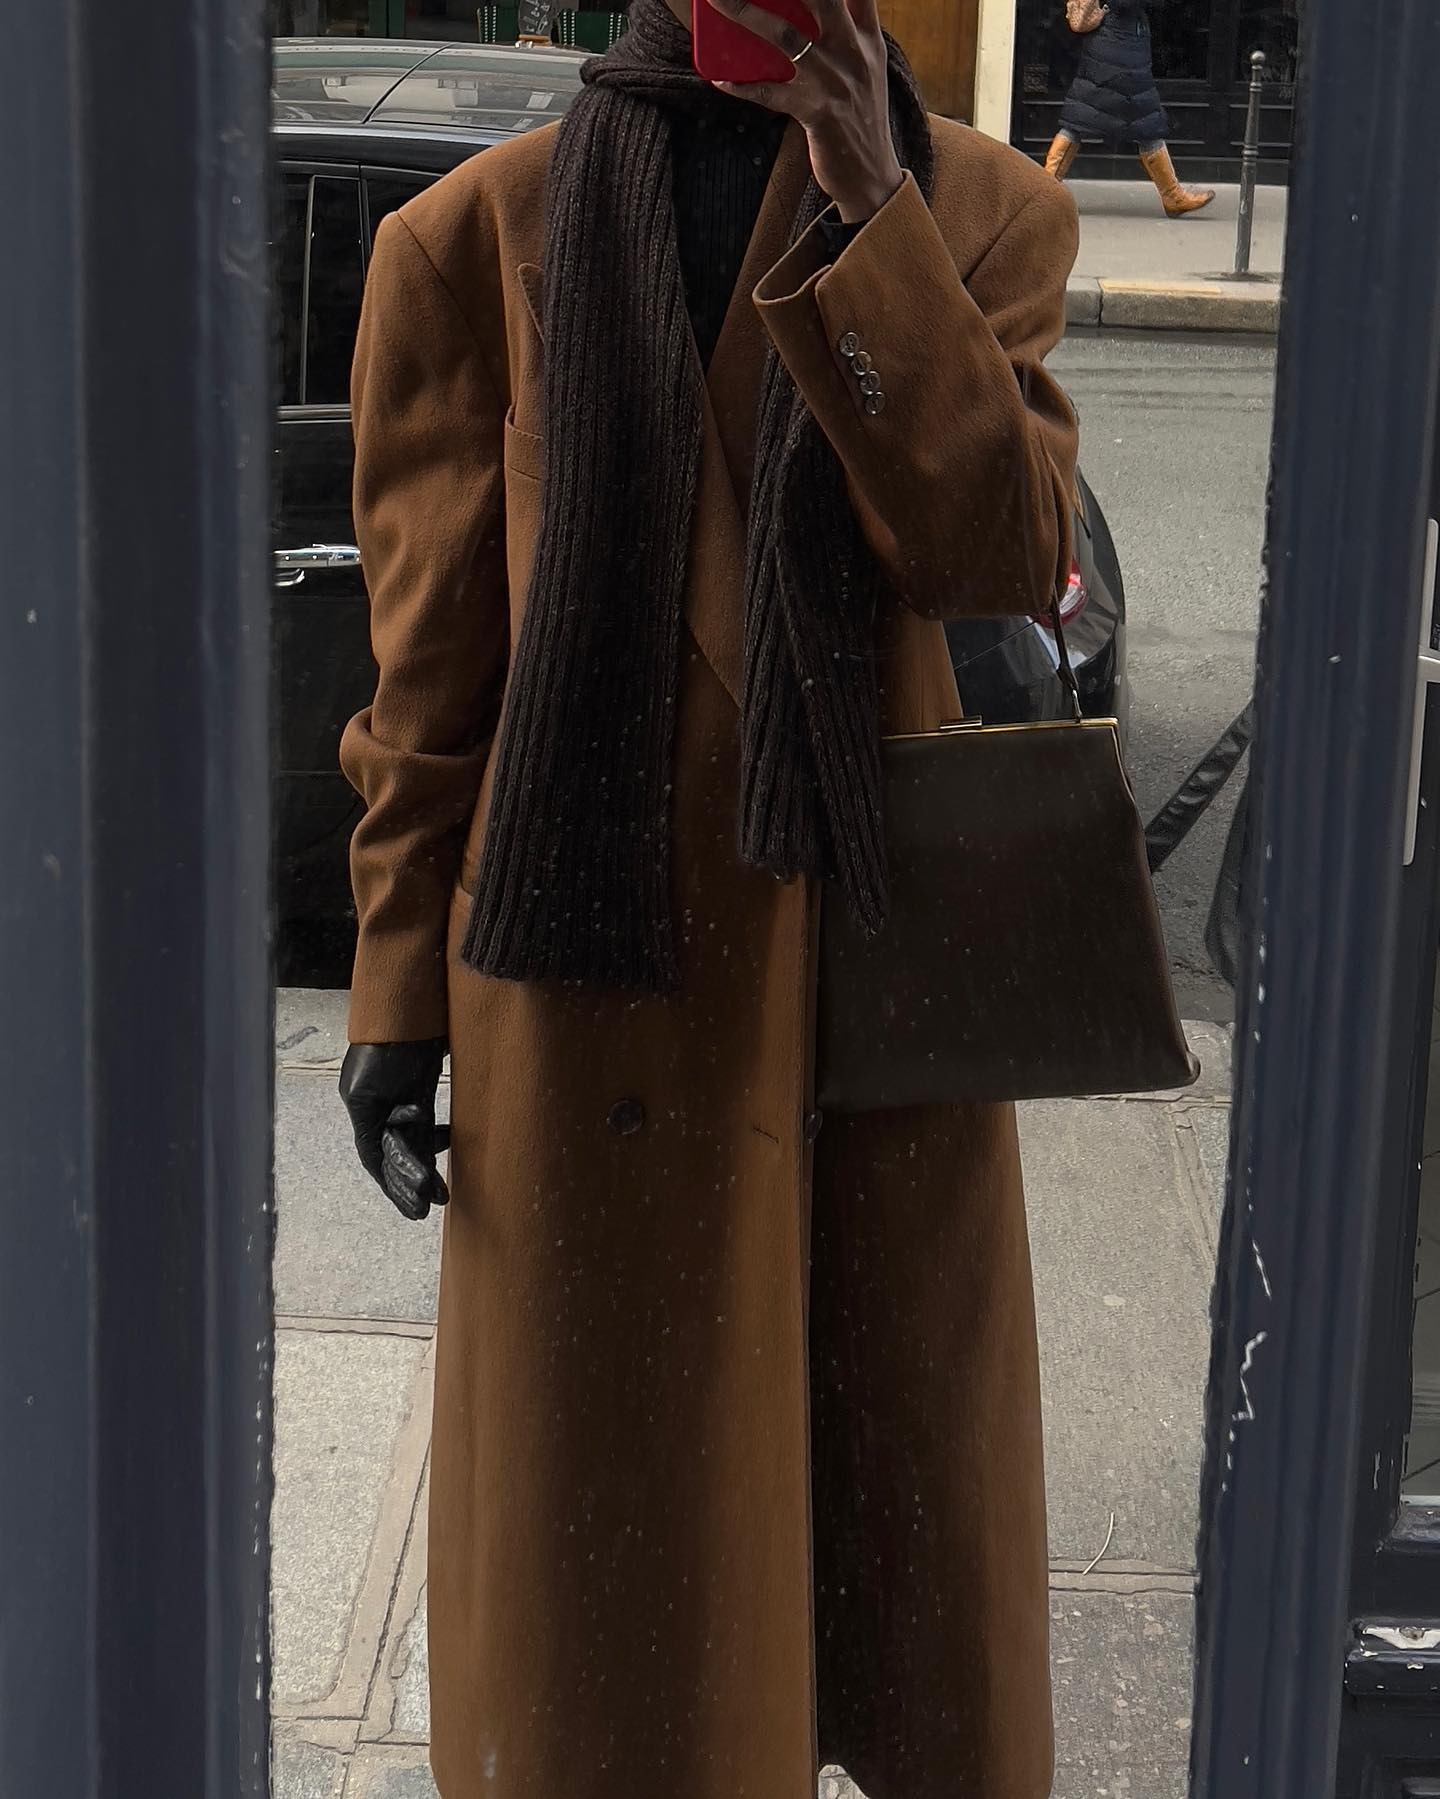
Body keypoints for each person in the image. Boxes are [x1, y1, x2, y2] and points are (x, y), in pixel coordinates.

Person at [337, 0, 1079, 1793]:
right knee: (622, 1626)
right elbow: (432, 669)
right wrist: (394, 998)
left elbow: (1001, 547)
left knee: (882, 1543)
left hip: (868, 988)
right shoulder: (473, 236)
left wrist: (873, 208)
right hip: (594, 982)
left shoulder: (979, 210)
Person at [1045, 0, 1216, 216]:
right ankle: (1172, 195)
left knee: (1084, 117)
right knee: (1144, 118)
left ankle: (1044, 190)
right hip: (1117, 44)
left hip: (1117, 41)